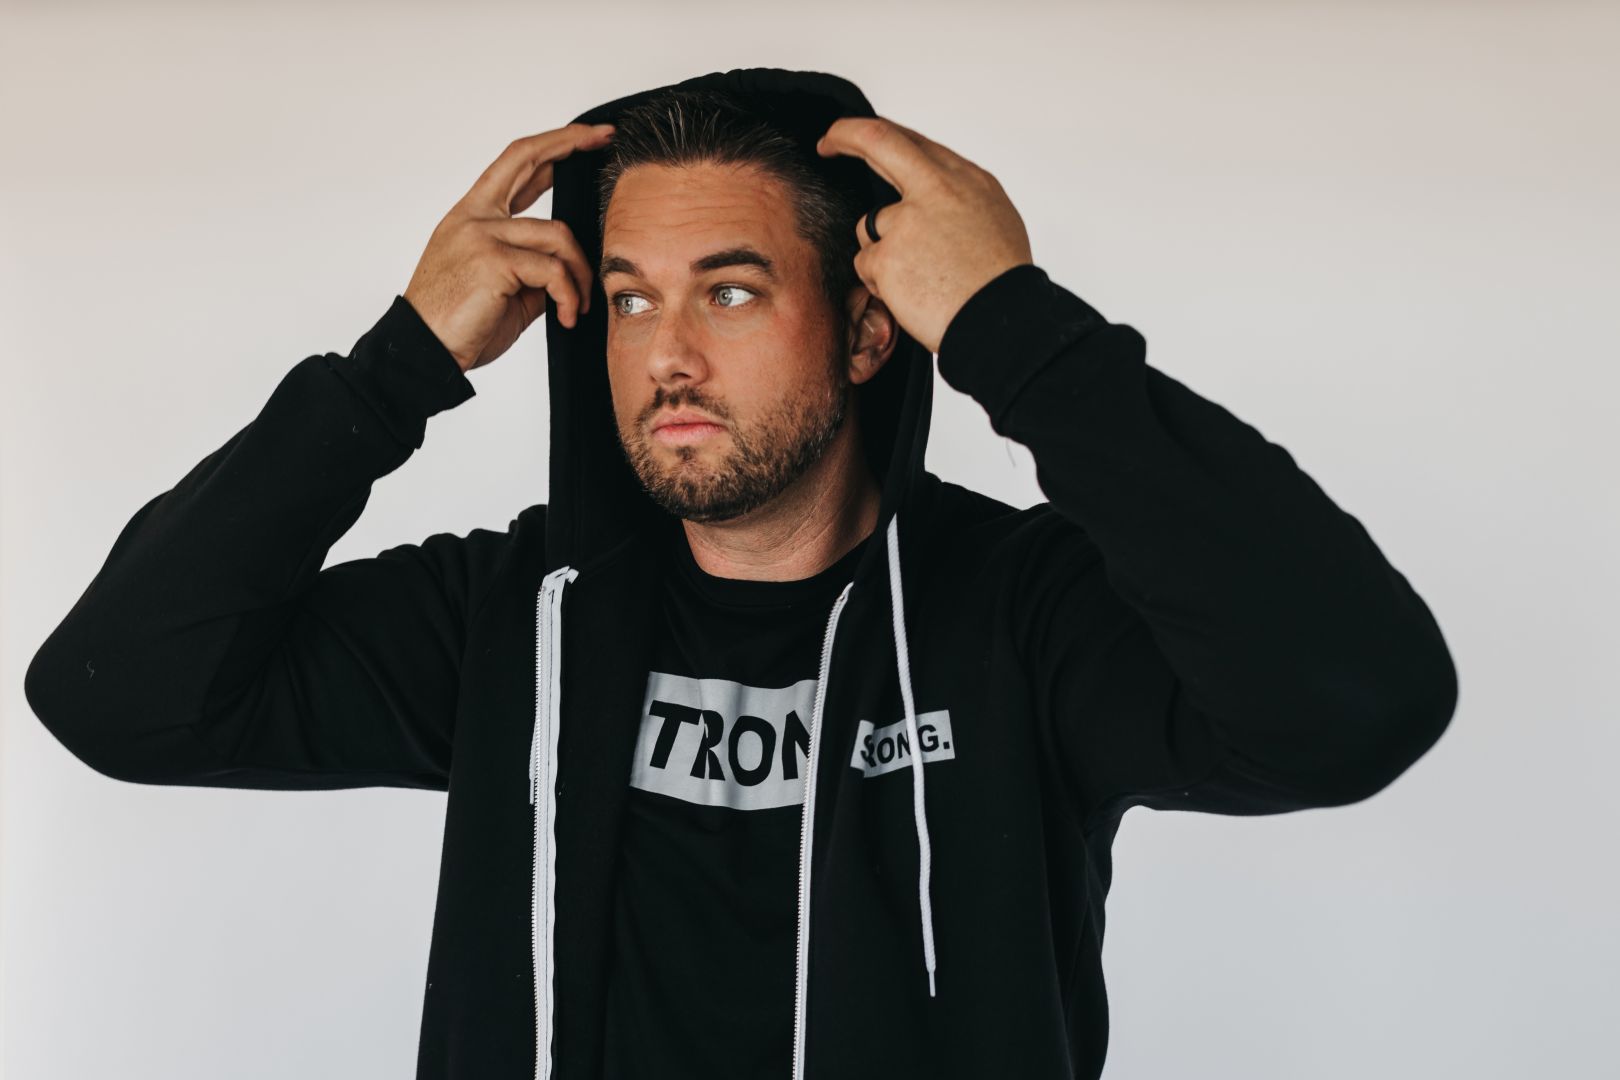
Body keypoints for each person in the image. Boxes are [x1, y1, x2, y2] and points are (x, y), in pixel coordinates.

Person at [24, 67, 1459, 1080]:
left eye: (729, 290)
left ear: (870, 329)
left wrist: (1017, 330)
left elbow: (1357, 702)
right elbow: (117, 695)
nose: (665, 355)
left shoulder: (1021, 619)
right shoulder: (514, 619)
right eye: (629, 297)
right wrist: (395, 364)